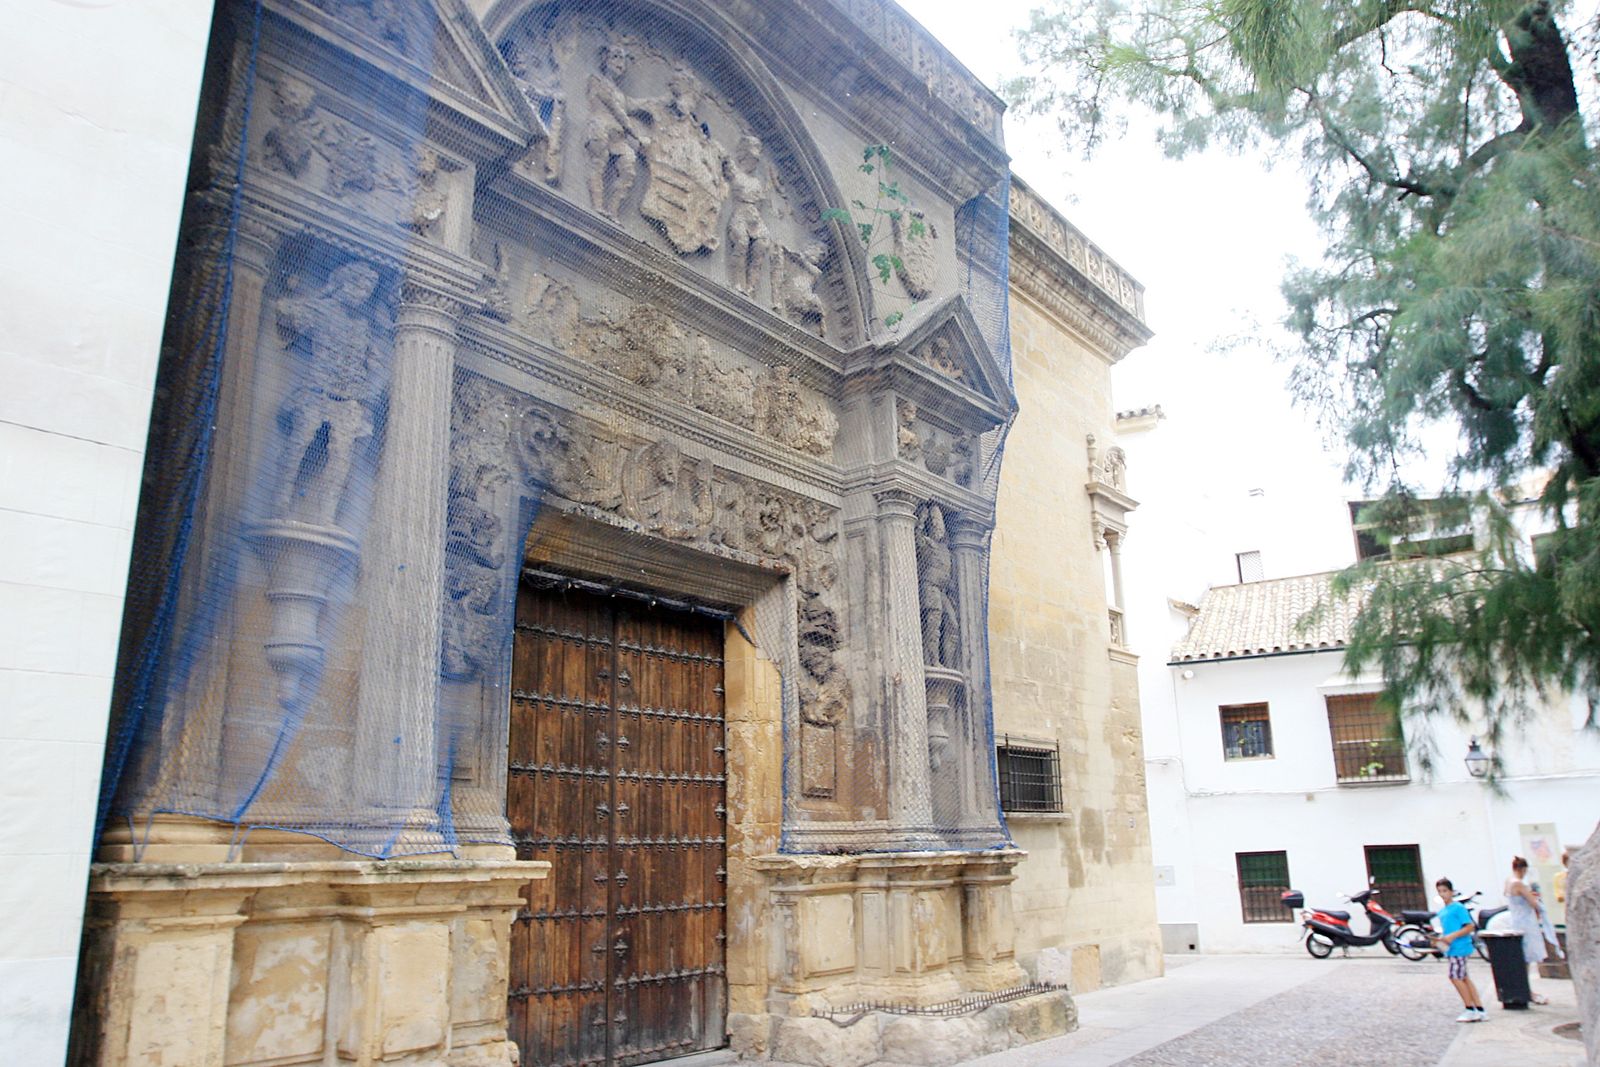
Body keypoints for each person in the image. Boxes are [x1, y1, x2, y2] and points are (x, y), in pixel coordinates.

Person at [1431, 878, 1487, 1022]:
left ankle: (1470, 1008)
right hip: (1452, 947)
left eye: (1445, 891)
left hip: (1460, 946)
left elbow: (1469, 927)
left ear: (1451, 892)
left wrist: (1452, 936)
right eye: (1440, 892)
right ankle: (1479, 1009)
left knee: (1455, 977)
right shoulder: (1443, 911)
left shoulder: (1458, 908)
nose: (1443, 894)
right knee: (1464, 977)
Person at [1505, 856, 1553, 1003]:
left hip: (1515, 920)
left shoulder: (1508, 881)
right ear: (1523, 869)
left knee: (1521, 958)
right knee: (1526, 957)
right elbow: (1533, 903)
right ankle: (1526, 990)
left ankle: (1523, 989)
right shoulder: (1519, 883)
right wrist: (1535, 898)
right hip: (1525, 922)